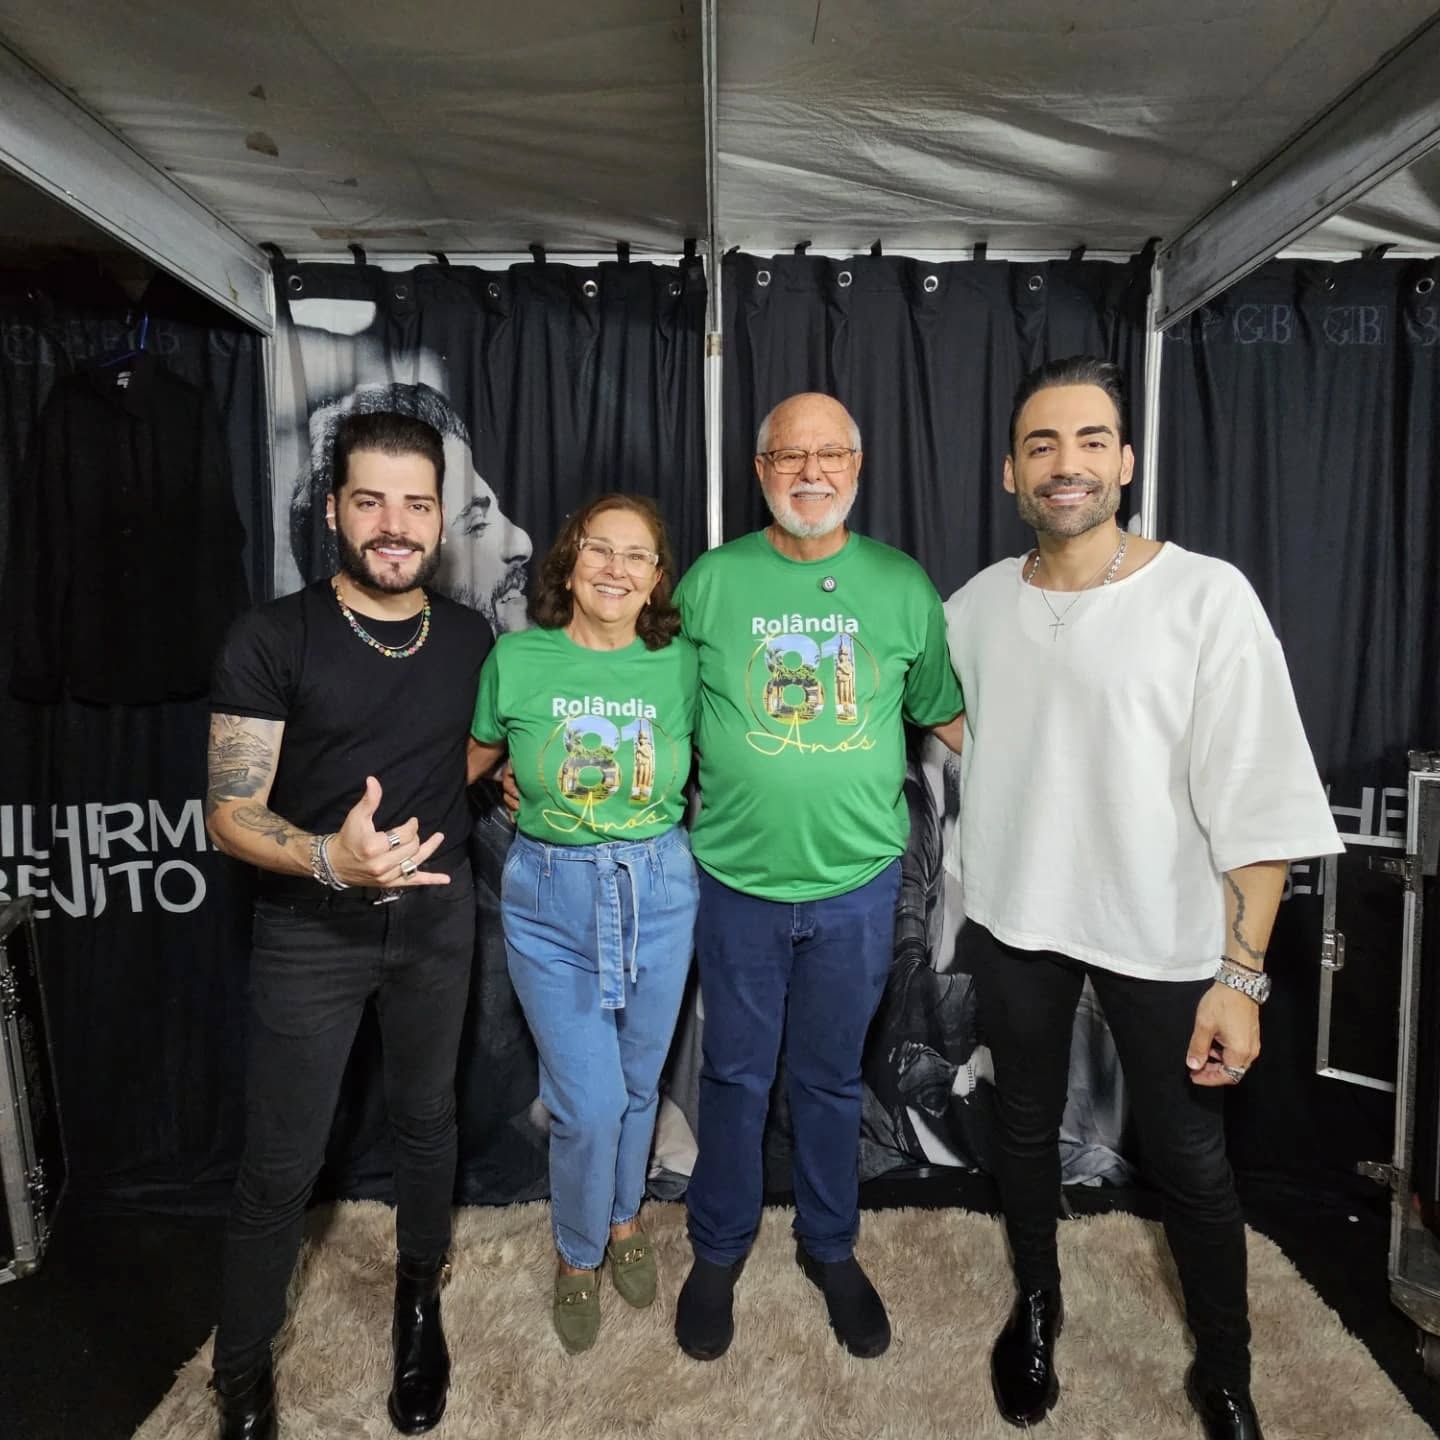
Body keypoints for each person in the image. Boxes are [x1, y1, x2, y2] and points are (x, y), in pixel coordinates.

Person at [944, 356, 1343, 1439]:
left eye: (1089, 442)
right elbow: (941, 713)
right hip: (1018, 919)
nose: (1064, 464)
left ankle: (1225, 1369)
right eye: (1041, 445)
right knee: (1022, 1129)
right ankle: (1036, 1306)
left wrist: (1242, 978)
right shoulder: (975, 606)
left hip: (1165, 932)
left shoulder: (1205, 596)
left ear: (1124, 462)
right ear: (1011, 472)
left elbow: (1261, 798)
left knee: (1191, 1160)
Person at [205, 411, 492, 1439]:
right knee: (279, 1166)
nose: (394, 525)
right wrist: (331, 856)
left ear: (442, 517)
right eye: (370, 501)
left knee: (427, 1121)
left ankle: (418, 1303)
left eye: (416, 503)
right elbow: (228, 812)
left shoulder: (472, 638)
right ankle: (241, 1373)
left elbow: (479, 752)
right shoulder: (272, 636)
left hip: (436, 923)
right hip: (308, 932)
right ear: (333, 510)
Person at [671, 392, 965, 1362]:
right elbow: (657, 713)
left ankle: (830, 1246)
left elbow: (950, 717)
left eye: (829, 454)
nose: (810, 472)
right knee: (733, 1076)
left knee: (833, 1079)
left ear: (857, 465)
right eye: (789, 456)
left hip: (857, 888)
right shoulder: (711, 583)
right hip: (737, 885)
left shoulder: (901, 586)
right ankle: (718, 1248)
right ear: (760, 471)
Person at [467, 493, 700, 1353]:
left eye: (636, 555)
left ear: (656, 579)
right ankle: (576, 1250)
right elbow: (467, 762)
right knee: (589, 1102)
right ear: (568, 564)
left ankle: (623, 1213)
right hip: (549, 897)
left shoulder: (683, 666)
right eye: (599, 549)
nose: (615, 568)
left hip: (659, 890)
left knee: (638, 1083)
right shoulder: (517, 660)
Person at [290, 381, 533, 635]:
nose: (522, 543)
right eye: (476, 524)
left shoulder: (474, 639)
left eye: (418, 506)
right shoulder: (277, 641)